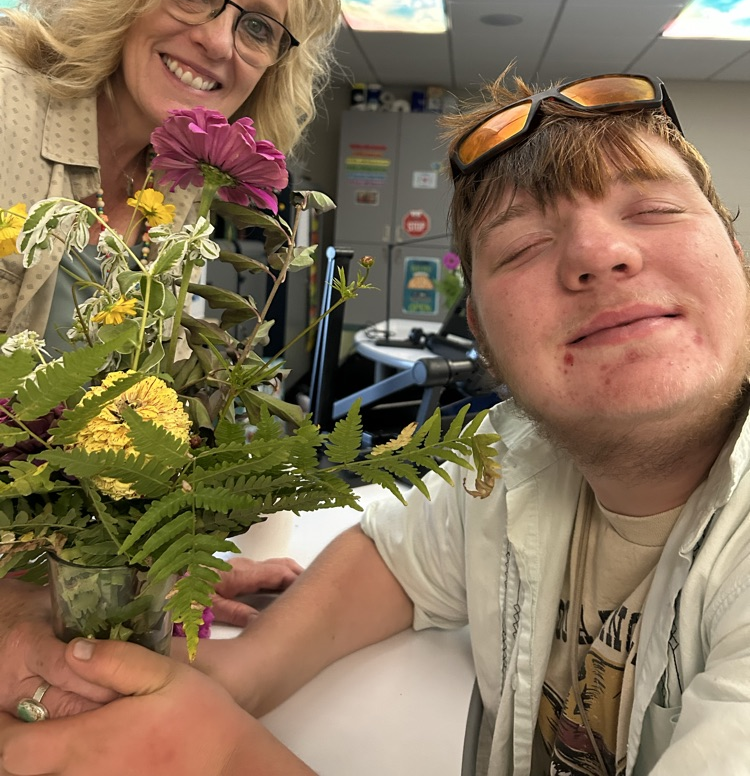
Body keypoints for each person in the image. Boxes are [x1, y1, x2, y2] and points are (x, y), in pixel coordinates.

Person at [5, 67, 750, 776]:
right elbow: (393, 558)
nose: (598, 253)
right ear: (483, 339)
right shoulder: (509, 456)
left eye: (652, 209)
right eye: (524, 245)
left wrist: (219, 753)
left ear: (739, 255)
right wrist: (240, 677)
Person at [0, 0, 340, 726]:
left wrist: (147, 557)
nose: (221, 41)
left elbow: (116, 421)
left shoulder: (181, 187)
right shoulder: (8, 101)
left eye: (260, 27)